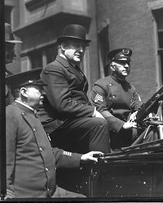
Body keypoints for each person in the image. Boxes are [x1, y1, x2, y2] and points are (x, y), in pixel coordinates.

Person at [5, 68, 103, 198]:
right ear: (23, 92)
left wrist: (81, 158)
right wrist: (7, 194)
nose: (43, 93)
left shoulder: (33, 116)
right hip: (28, 194)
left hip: (50, 191)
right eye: (38, 89)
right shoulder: (10, 114)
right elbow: (4, 160)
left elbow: (48, 153)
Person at [39, 24, 110, 154]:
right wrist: (93, 111)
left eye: (83, 46)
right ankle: (98, 170)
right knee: (99, 124)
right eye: (76, 45)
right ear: (63, 46)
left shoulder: (73, 68)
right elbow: (62, 104)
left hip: (70, 120)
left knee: (110, 122)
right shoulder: (54, 69)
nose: (81, 50)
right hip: (57, 125)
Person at [91, 48, 143, 150]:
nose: (127, 66)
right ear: (112, 66)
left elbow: (139, 106)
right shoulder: (102, 85)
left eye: (128, 63)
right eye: (122, 63)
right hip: (111, 134)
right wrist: (121, 125)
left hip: (130, 130)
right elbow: (100, 110)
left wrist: (136, 113)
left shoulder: (131, 88)